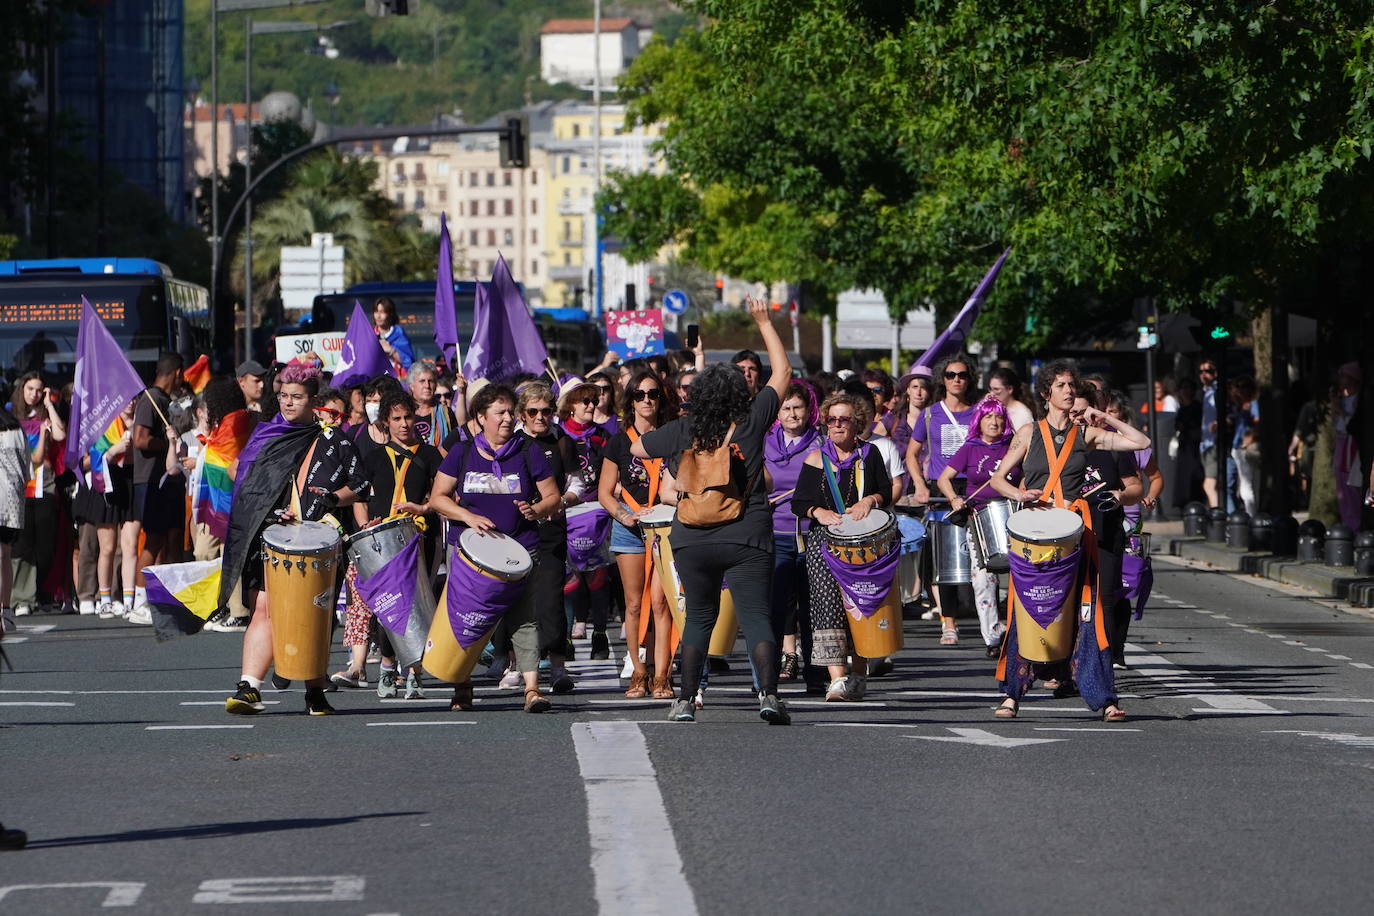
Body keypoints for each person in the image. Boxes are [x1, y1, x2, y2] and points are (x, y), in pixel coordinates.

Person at [634, 296, 794, 724]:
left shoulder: (683, 428)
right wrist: (763, 321)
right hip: (748, 534)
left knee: (700, 618)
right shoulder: (753, 418)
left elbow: (636, 445)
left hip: (692, 536)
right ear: (740, 393)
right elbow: (783, 372)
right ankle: (769, 697)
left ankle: (685, 700)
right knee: (757, 616)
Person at [988, 360, 1148, 722]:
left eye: (1072, 386)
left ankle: (1105, 697)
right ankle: (1012, 694)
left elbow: (1142, 441)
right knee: (1025, 613)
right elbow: (998, 479)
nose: (1069, 391)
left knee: (1089, 615)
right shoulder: (1028, 433)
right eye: (1061, 385)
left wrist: (1099, 415)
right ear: (1046, 393)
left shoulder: (1087, 434)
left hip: (1076, 537)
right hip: (1036, 539)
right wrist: (1020, 493)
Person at [221, 363, 367, 717]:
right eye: (284, 396)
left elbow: (360, 484)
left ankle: (314, 692)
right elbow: (248, 491)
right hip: (268, 537)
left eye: (296, 397)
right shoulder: (266, 436)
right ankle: (249, 687)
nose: (288, 403)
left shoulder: (334, 439)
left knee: (314, 614)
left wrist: (332, 498)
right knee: (263, 608)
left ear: (312, 400)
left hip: (319, 542)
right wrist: (273, 513)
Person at [427, 384, 561, 713]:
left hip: (520, 550)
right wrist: (468, 516)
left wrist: (537, 510)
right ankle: (462, 684)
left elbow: (553, 497)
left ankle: (532, 689)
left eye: (509, 413)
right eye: (499, 413)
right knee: (467, 618)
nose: (506, 419)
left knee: (524, 620)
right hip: (470, 553)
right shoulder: (462, 451)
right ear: (480, 417)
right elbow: (438, 498)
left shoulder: (528, 450)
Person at [791, 391, 892, 702]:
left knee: (860, 606)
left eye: (843, 420)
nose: (836, 425)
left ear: (856, 423)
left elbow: (886, 492)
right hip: (825, 542)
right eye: (831, 420)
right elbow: (799, 502)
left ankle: (859, 673)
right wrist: (818, 512)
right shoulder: (814, 458)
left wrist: (869, 500)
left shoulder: (869, 454)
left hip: (863, 542)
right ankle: (837, 678)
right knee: (826, 605)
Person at [345, 389, 443, 699]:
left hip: (415, 539)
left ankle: (414, 671)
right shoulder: (373, 456)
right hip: (380, 542)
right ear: (386, 422)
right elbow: (359, 498)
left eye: (408, 417)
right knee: (388, 607)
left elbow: (441, 497)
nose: (404, 424)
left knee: (415, 605)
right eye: (397, 419)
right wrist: (364, 527)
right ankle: (387, 666)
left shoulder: (429, 455)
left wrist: (424, 509)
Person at [599, 369, 675, 699]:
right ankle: (638, 672)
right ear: (630, 400)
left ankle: (662, 675)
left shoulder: (672, 437)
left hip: (665, 529)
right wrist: (625, 516)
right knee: (632, 605)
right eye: (640, 394)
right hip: (630, 530)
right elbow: (604, 493)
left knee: (661, 603)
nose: (647, 400)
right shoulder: (618, 442)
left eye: (653, 394)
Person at [936, 395, 1018, 657]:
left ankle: (1022, 632)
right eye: (988, 417)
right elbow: (944, 479)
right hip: (979, 519)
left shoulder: (1014, 446)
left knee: (1021, 575)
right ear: (979, 421)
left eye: (998, 417)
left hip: (1013, 516)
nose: (994, 422)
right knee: (984, 578)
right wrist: (954, 498)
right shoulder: (970, 448)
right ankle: (992, 637)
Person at [905, 355, 978, 643]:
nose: (956, 379)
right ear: (942, 379)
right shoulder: (930, 414)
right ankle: (949, 622)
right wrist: (921, 486)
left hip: (973, 486)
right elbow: (912, 454)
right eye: (950, 375)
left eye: (962, 374)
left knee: (980, 557)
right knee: (943, 560)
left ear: (970, 379)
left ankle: (989, 619)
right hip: (939, 490)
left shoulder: (979, 413)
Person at [516, 382, 579, 695]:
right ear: (522, 414)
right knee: (517, 599)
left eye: (546, 411)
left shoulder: (562, 442)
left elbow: (577, 484)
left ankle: (557, 666)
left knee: (552, 600)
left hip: (552, 531)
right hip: (516, 534)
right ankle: (516, 665)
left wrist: (559, 502)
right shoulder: (512, 444)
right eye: (533, 411)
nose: (540, 417)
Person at [765, 381, 820, 683]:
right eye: (786, 408)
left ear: (808, 409)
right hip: (774, 534)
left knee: (810, 607)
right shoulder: (763, 442)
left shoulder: (820, 444)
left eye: (798, 407)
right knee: (775, 607)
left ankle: (815, 672)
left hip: (810, 534)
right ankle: (768, 673)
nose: (792, 413)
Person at [128, 353, 186, 624]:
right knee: (153, 540)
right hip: (152, 480)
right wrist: (170, 444)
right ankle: (139, 601)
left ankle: (165, 600)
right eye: (182, 374)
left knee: (172, 541)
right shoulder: (149, 399)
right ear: (176, 372)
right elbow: (140, 439)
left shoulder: (166, 401)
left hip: (170, 480)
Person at [558, 380, 613, 659]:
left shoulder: (602, 436)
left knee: (597, 575)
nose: (592, 405)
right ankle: (565, 639)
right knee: (570, 578)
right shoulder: (557, 434)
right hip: (565, 511)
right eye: (585, 401)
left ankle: (600, 635)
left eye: (594, 400)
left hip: (596, 511)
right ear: (570, 405)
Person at [71, 400, 135, 621]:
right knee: (102, 547)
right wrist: (112, 451)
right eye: (126, 399)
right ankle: (101, 598)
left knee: (124, 548)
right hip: (102, 488)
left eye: (134, 398)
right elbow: (82, 462)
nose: (131, 402)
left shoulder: (136, 423)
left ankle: (121, 597)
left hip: (128, 487)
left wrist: (131, 427)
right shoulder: (100, 425)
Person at [11, 372, 67, 618]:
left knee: (45, 544)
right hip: (18, 486)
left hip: (45, 485)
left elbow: (60, 435)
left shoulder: (45, 415)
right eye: (30, 389)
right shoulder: (11, 418)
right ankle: (22, 597)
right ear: (22, 390)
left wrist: (49, 405)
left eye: (39, 390)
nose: (34, 394)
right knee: (23, 544)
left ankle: (42, 592)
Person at [0, 399, 32, 633]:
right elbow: (27, 468)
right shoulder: (16, 428)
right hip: (12, 500)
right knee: (5, 557)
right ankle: (7, 612)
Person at [408, 359, 458, 453]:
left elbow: (455, 444)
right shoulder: (404, 414)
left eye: (431, 381)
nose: (427, 385)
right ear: (412, 386)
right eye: (422, 381)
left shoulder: (447, 413)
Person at [1230, 376, 1261, 516]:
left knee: (1247, 484)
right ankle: (1251, 513)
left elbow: (1258, 422)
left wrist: (1250, 438)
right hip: (1238, 446)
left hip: (1245, 448)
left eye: (1243, 387)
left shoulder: (1253, 404)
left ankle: (1251, 515)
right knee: (1245, 484)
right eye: (1238, 387)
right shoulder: (1240, 406)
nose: (1240, 390)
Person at [372, 296, 414, 375]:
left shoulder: (399, 334)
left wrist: (391, 351)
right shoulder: (370, 335)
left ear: (390, 314)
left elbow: (409, 363)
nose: (378, 316)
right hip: (375, 379)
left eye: (382, 312)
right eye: (376, 311)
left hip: (397, 380)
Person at [1199, 359, 1220, 508]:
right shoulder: (1203, 393)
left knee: (1209, 484)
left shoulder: (1217, 392)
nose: (1204, 374)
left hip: (1214, 443)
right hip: (1204, 443)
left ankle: (1215, 513)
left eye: (1208, 371)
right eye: (1202, 371)